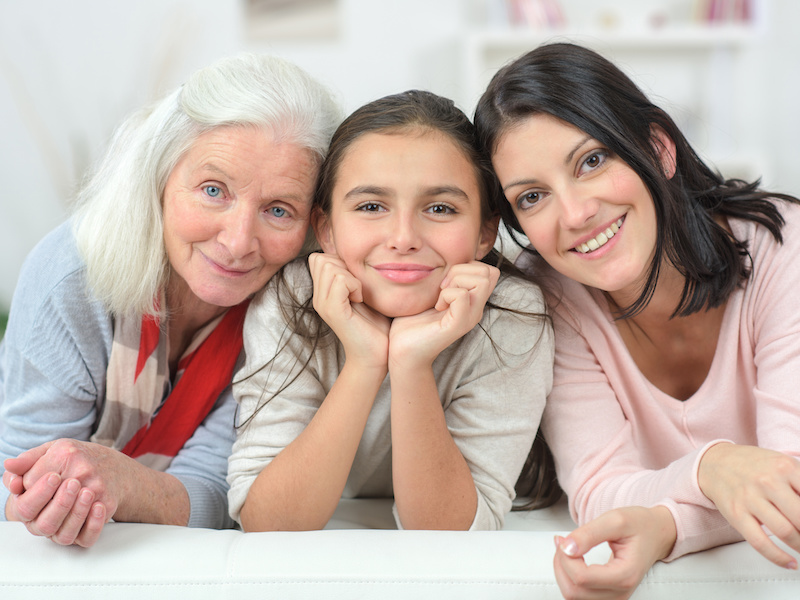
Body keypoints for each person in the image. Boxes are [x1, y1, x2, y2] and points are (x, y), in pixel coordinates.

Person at [475, 41, 800, 598]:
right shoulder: (547, 296)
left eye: (592, 161)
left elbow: (789, 486)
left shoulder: (784, 249)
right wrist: (712, 469)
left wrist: (670, 525)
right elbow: (600, 492)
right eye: (532, 197)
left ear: (658, 148)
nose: (575, 215)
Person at [0, 53, 341, 548]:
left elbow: (224, 494)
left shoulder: (294, 307)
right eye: (213, 189)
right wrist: (62, 494)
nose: (238, 241)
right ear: (159, 177)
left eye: (279, 210)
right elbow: (20, 486)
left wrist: (126, 482)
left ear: (313, 224)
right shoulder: (70, 277)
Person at [227, 90, 557, 532]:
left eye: (439, 208)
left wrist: (411, 363)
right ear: (325, 229)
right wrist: (364, 361)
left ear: (484, 233)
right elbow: (268, 522)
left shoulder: (510, 313)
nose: (403, 237)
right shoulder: (293, 299)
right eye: (371, 206)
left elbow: (447, 535)